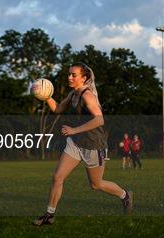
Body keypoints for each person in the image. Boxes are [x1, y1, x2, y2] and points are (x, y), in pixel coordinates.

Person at [32, 62, 133, 226]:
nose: (69, 77)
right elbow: (57, 109)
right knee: (58, 177)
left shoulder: (87, 95)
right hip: (75, 143)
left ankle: (125, 196)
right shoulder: (73, 94)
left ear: (84, 78)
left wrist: (74, 130)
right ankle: (49, 216)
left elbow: (99, 119)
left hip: (93, 145)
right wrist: (45, 95)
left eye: (74, 75)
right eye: (69, 74)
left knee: (96, 184)